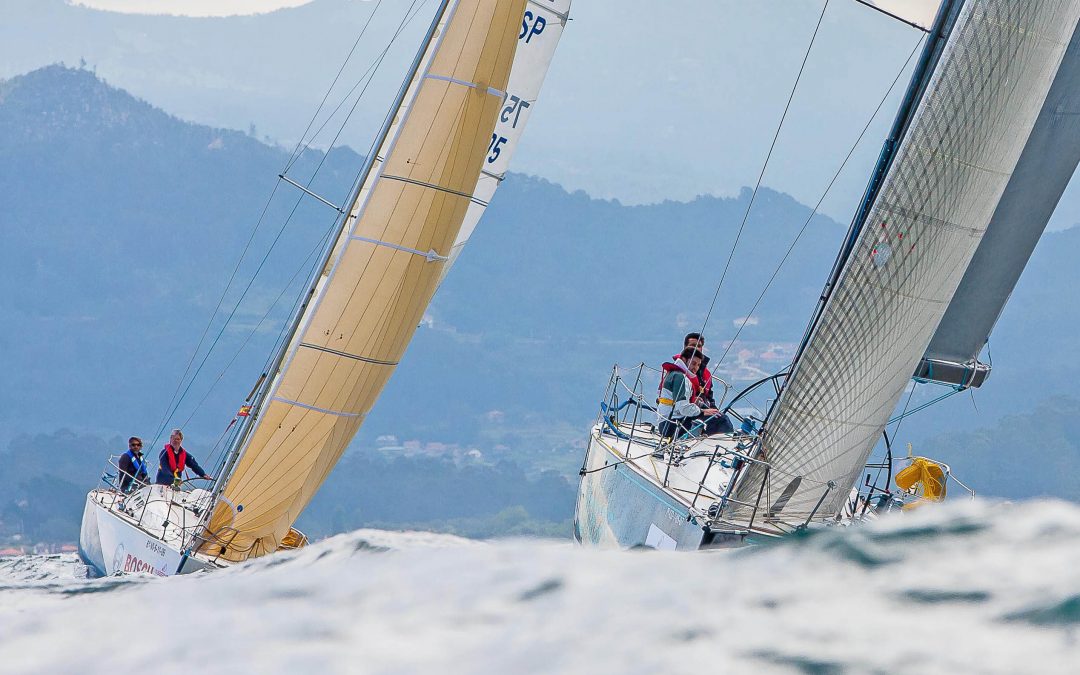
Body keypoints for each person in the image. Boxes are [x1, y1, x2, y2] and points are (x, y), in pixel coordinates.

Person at [676, 333, 734, 435]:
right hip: (684, 414)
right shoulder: (677, 373)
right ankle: (721, 446)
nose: (696, 348)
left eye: (699, 346)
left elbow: (709, 398)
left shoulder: (705, 374)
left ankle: (722, 444)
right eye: (693, 345)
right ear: (685, 348)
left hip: (698, 411)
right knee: (722, 421)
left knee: (721, 418)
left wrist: (713, 410)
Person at [656, 347, 706, 439]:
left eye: (698, 365)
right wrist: (702, 411)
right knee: (715, 419)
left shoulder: (673, 373)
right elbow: (683, 409)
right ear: (684, 360)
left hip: (664, 423)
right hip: (672, 426)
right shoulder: (681, 378)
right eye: (693, 363)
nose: (696, 368)